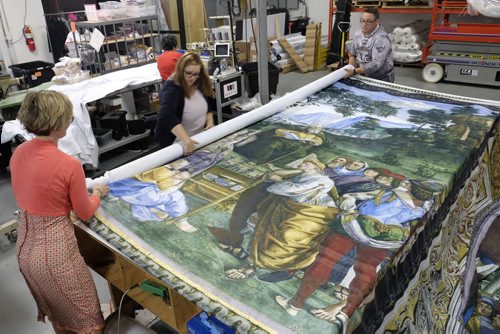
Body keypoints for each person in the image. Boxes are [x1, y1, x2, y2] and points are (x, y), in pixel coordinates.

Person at [9, 91, 109, 334]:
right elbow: (84, 212)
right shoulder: (69, 165)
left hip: (25, 250)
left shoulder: (18, 153)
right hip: (56, 256)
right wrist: (97, 194)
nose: (69, 121)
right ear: (56, 122)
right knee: (88, 319)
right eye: (68, 117)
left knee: (60, 315)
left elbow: (37, 191)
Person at [154, 52, 216, 155]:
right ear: (180, 70)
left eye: (196, 74)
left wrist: (210, 122)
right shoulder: (172, 88)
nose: (192, 77)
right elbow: (166, 115)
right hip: (178, 146)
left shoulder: (197, 83)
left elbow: (207, 106)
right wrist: (186, 140)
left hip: (198, 141)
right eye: (188, 73)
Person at [344, 8, 394, 83]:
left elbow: (376, 64)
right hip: (362, 75)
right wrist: (350, 67)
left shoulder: (381, 38)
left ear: (376, 22)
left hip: (381, 79)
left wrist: (354, 71)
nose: (364, 24)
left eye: (369, 21)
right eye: (363, 20)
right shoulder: (358, 34)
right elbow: (353, 54)